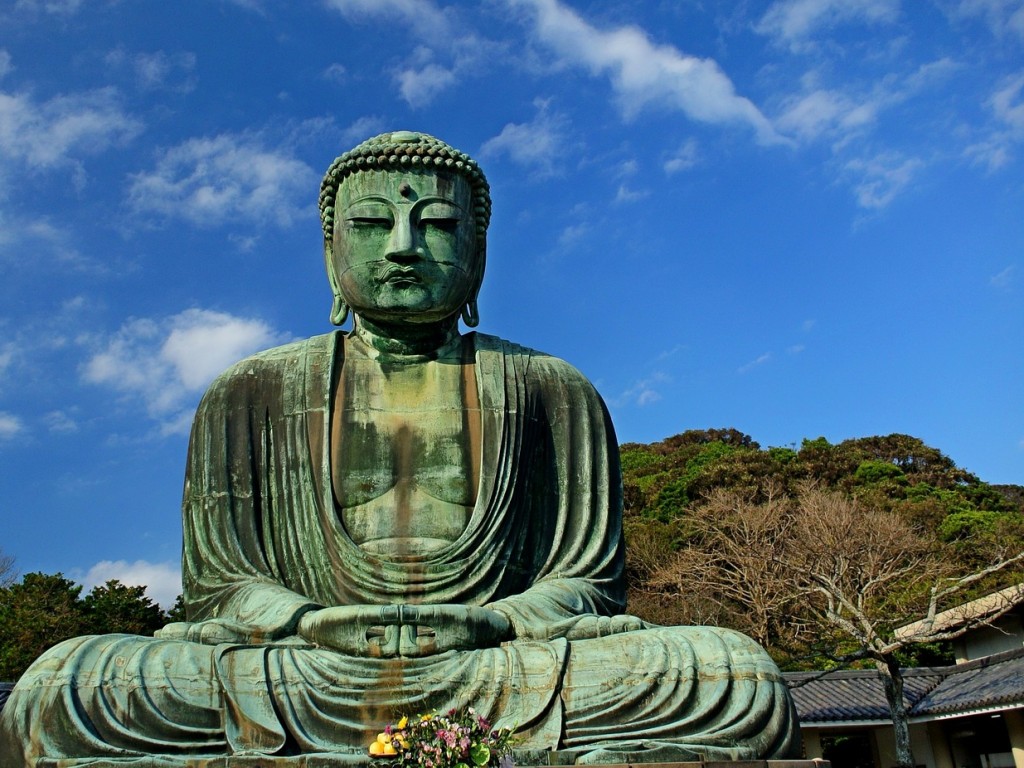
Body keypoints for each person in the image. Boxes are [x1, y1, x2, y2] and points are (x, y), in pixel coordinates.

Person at [0, 131, 798, 766]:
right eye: (372, 224)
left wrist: (490, 624)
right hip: (305, 667)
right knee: (63, 686)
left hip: (501, 667)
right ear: (330, 251)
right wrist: (310, 622)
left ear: (478, 254)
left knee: (730, 676)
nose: (405, 246)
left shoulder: (552, 390)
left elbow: (586, 583)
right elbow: (222, 589)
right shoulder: (249, 393)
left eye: (438, 225)